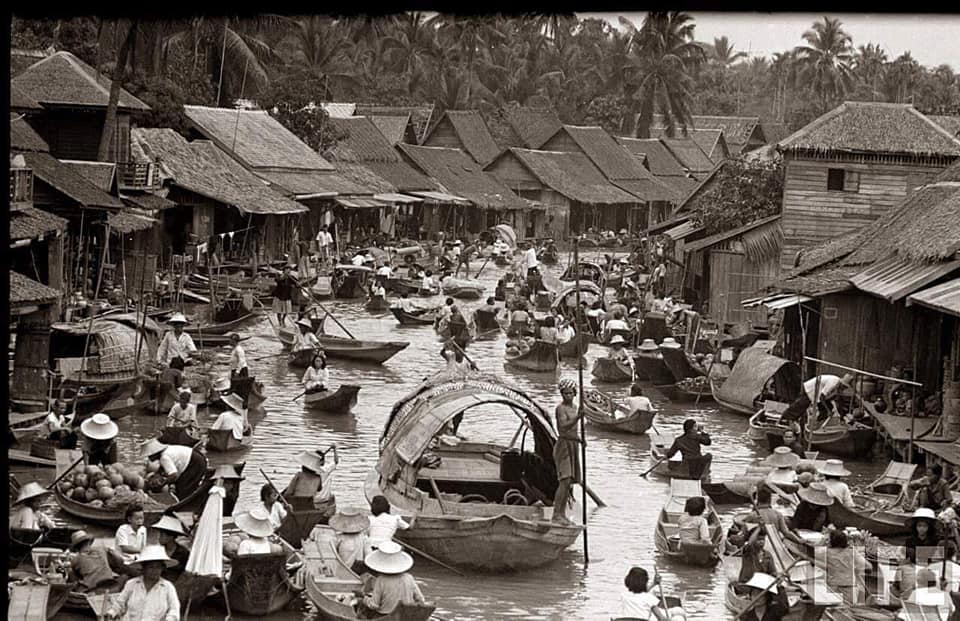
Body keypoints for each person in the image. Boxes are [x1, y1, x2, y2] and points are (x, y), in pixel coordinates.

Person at [104, 545, 179, 621]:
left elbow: (174, 610)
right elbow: (119, 604)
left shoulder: (168, 587)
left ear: (162, 568)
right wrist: (112, 613)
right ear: (143, 568)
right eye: (151, 567)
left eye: (158, 567)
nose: (155, 570)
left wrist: (169, 619)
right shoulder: (131, 584)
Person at [361, 540, 427, 616]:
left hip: (385, 616)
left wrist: (364, 599)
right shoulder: (409, 577)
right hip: (406, 615)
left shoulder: (381, 580)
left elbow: (374, 605)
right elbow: (420, 599)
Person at [553, 379, 582, 524]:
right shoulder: (560, 408)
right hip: (563, 445)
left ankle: (562, 514)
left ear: (574, 394)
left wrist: (580, 440)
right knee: (564, 480)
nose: (568, 396)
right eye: (565, 393)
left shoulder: (576, 407)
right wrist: (578, 417)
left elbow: (573, 431)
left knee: (570, 481)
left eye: (570, 393)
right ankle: (556, 514)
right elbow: (563, 427)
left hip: (573, 445)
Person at [142, 439, 208, 499]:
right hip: (197, 457)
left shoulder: (164, 457)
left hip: (195, 463)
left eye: (150, 456)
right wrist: (157, 475)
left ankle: (184, 505)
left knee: (183, 489)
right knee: (184, 484)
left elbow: (174, 475)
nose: (150, 458)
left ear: (155, 453)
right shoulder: (167, 450)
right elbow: (164, 469)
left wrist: (163, 484)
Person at [284, 447, 339, 514]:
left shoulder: (299, 475)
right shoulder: (318, 477)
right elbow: (319, 489)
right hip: (310, 504)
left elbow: (288, 493)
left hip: (297, 505)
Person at [824, 528, 869, 603]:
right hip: (849, 593)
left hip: (834, 592)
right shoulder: (852, 552)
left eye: (828, 540)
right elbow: (868, 567)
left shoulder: (827, 553)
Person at [151, 514, 190, 581]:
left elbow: (187, 573)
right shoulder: (157, 551)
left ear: (170, 536)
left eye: (162, 534)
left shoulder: (183, 553)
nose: (159, 537)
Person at [330, 508, 370, 574]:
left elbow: (333, 552)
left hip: (344, 567)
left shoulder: (338, 538)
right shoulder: (363, 537)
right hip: (358, 569)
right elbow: (368, 555)